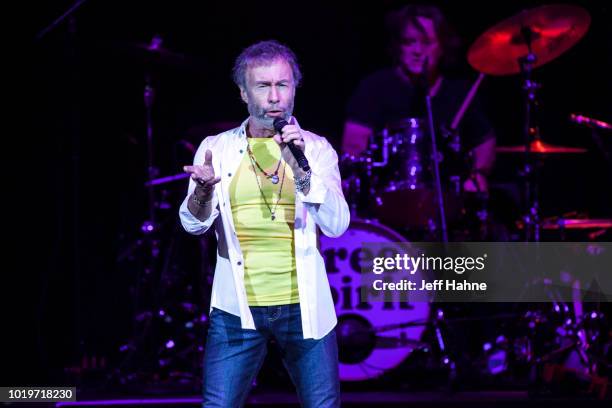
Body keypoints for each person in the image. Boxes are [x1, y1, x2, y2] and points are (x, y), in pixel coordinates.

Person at [179, 40, 349, 408]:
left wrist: (300, 170)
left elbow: (338, 224)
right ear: (243, 92)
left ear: (294, 88)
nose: (275, 97)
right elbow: (193, 224)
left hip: (304, 306)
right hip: (236, 308)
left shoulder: (316, 149)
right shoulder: (217, 148)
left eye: (282, 85)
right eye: (263, 86)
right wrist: (203, 192)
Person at [342, 4, 495, 194]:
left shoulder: (459, 93)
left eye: (426, 42)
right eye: (409, 42)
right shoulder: (374, 88)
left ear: (442, 47)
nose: (417, 50)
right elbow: (353, 145)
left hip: (448, 200)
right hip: (385, 197)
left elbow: (485, 142)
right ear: (398, 47)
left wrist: (478, 174)